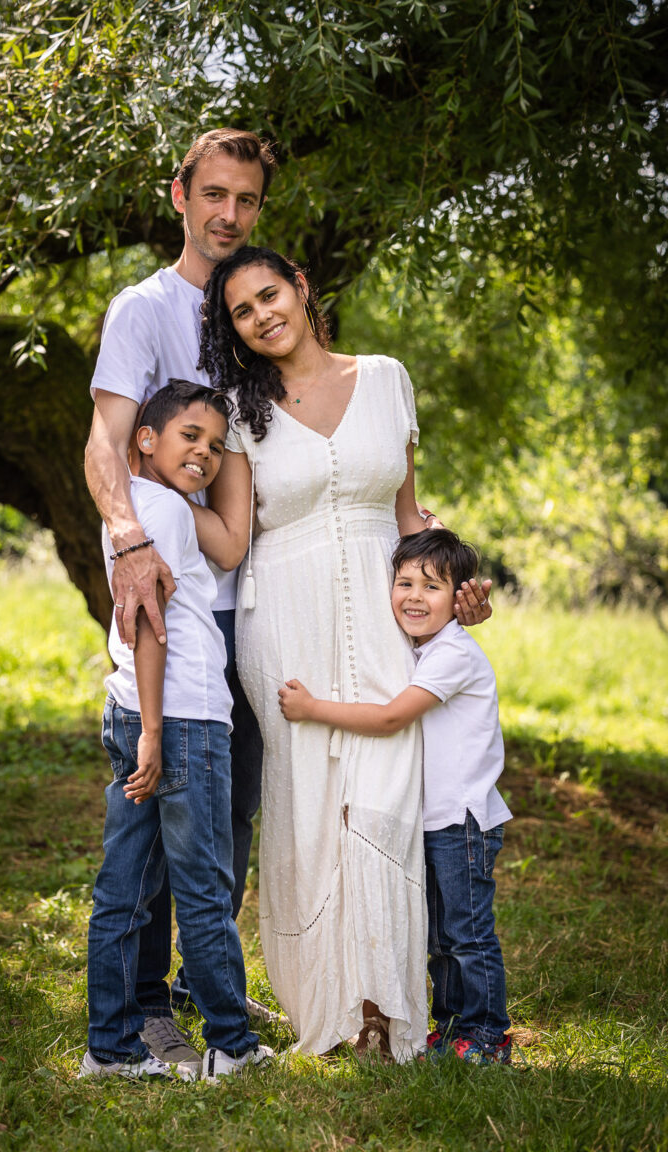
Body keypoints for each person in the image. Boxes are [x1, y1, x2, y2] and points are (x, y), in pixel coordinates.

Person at [189, 246, 493, 1061]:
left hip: (386, 602)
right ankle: (332, 1008)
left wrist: (456, 589)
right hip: (283, 614)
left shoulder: (388, 376)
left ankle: (387, 1005)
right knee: (310, 804)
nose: (261, 317)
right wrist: (149, 515)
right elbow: (235, 534)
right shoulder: (240, 408)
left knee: (388, 787)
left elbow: (407, 516)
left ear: (300, 286)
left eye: (269, 296)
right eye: (241, 313)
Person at [84, 128, 277, 1069]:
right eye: (215, 195)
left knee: (228, 807)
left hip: (247, 595)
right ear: (180, 194)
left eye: (246, 200)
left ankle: (209, 992)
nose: (229, 215)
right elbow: (103, 443)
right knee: (165, 814)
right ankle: (150, 1008)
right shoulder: (142, 309)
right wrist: (126, 543)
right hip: (171, 588)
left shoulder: (257, 304)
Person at [81, 380, 273, 1083]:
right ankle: (231, 1043)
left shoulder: (142, 506)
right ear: (145, 438)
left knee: (125, 887)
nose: (207, 452)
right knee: (202, 886)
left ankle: (110, 1047)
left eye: (218, 445)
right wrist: (158, 734)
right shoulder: (161, 508)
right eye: (192, 436)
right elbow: (149, 624)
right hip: (182, 715)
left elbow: (225, 547)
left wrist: (144, 726)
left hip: (135, 707)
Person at [278, 529, 513, 1064]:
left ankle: (485, 1034)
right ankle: (452, 1026)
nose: (412, 595)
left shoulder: (453, 653)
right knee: (440, 935)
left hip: (463, 819)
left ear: (459, 600)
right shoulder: (417, 650)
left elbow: (389, 718)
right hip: (432, 821)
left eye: (431, 586)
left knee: (467, 933)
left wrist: (315, 709)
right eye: (403, 582)